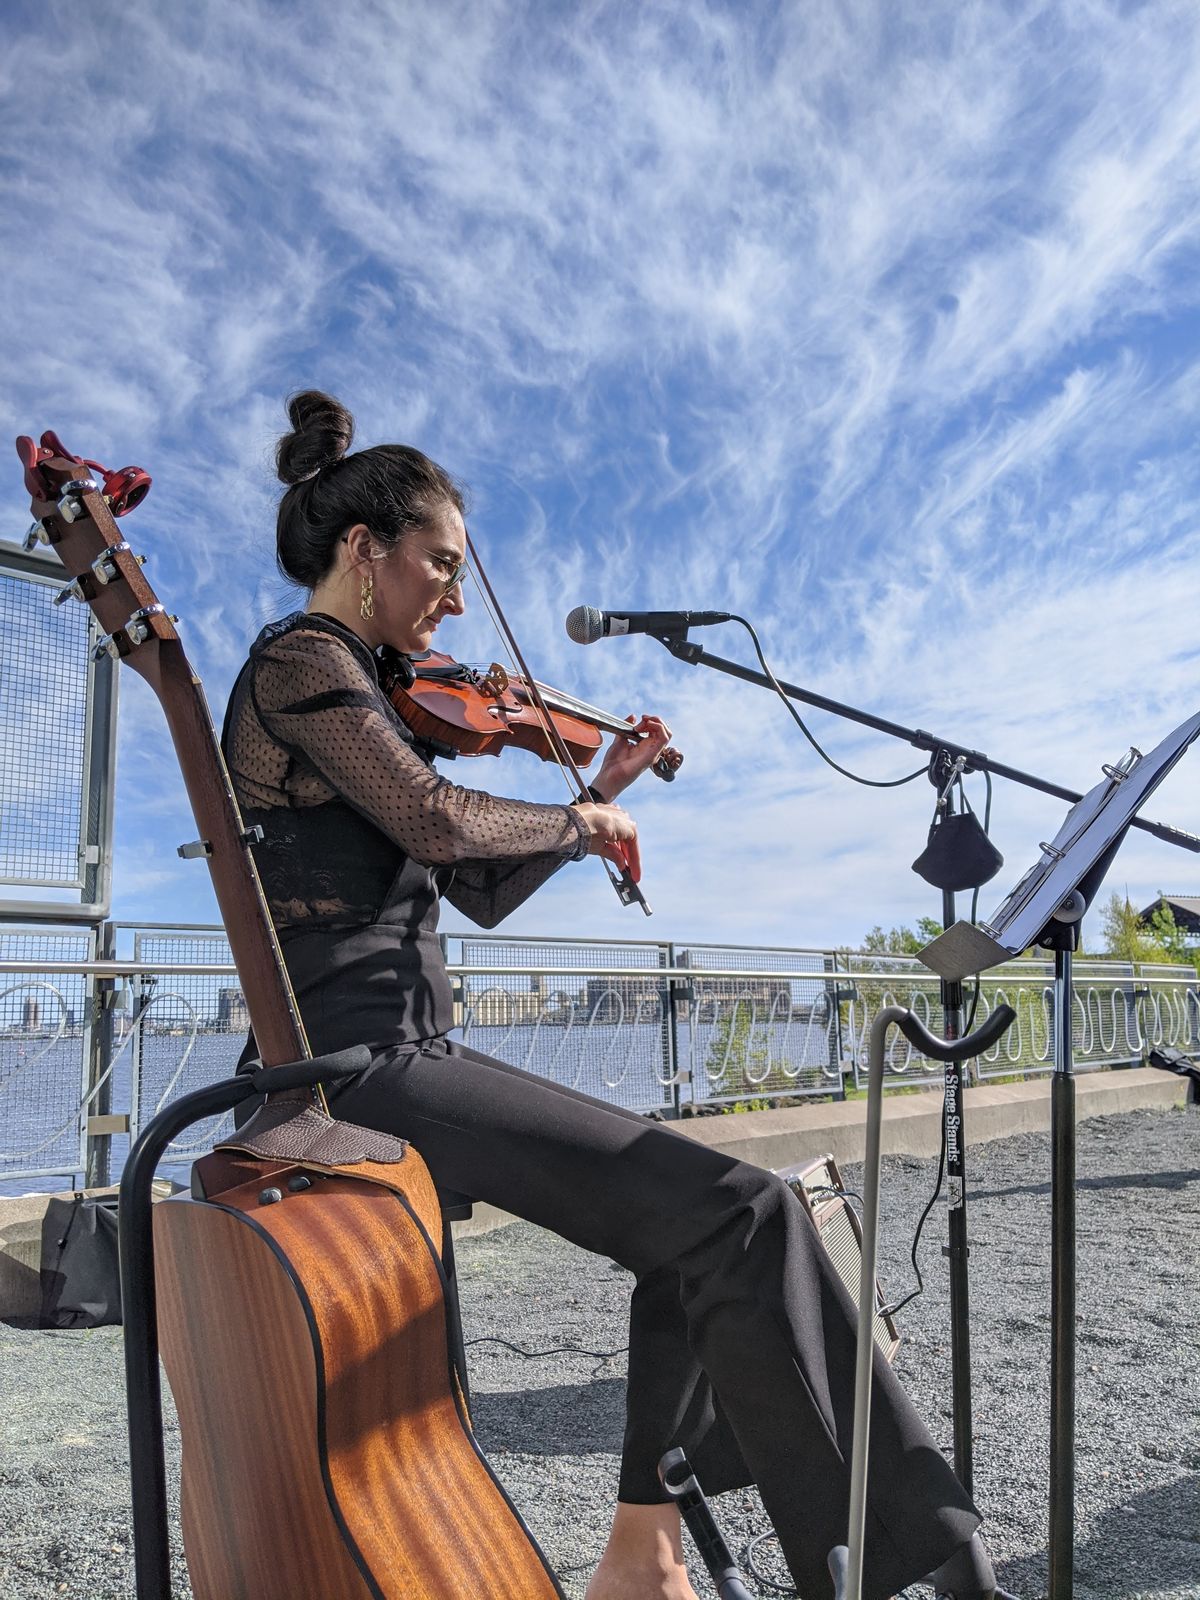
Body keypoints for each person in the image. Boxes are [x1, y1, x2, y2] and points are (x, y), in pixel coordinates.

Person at [222, 390, 1013, 1600]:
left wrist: (597, 788)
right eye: (442, 563)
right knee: (740, 1213)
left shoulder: (374, 692)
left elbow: (479, 888)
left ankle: (644, 1551)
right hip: (348, 1071)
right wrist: (581, 818)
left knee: (709, 1221)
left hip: (411, 1054)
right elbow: (437, 823)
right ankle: (929, 1564)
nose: (455, 597)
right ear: (363, 548)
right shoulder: (303, 661)